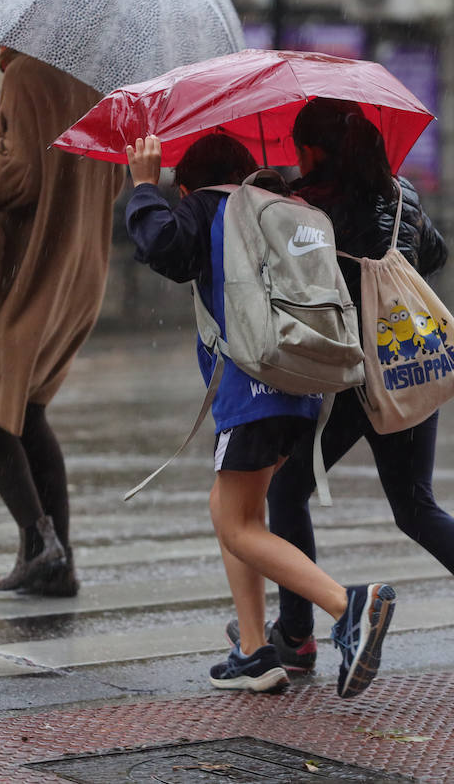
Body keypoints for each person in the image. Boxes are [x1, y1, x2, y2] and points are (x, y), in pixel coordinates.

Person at [231, 97, 454, 695]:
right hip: (409, 360)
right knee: (417, 506)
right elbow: (435, 254)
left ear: (312, 150)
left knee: (287, 489)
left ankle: (295, 634)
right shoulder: (402, 193)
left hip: (355, 377)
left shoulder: (307, 208)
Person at [124, 132, 396, 698]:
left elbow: (161, 246)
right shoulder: (285, 205)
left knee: (238, 525)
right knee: (227, 507)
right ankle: (253, 651)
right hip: (302, 383)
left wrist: (144, 187)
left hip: (251, 388)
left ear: (189, 186)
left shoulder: (209, 204)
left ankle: (349, 607)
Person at [0, 42, 123, 597]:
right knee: (28, 411)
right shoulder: (93, 77)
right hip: (79, 269)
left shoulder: (27, 75)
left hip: (27, 271)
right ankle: (56, 563)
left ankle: (40, 543)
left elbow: (16, 177)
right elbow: (112, 178)